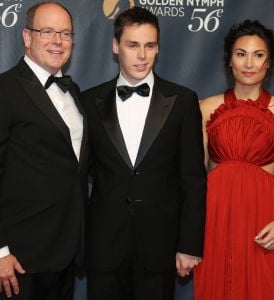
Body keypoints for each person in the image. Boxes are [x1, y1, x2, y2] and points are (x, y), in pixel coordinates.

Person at [81, 6, 206, 300]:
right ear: (115, 46)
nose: (142, 55)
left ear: (158, 47)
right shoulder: (88, 101)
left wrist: (189, 245)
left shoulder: (183, 101)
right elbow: (81, 170)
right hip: (104, 246)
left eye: (149, 46)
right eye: (132, 45)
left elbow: (193, 180)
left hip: (159, 247)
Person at [0, 2, 88, 299]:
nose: (57, 41)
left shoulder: (74, 92)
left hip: (65, 254)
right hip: (19, 260)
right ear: (26, 37)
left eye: (65, 33)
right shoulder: (1, 91)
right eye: (47, 31)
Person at [194, 20, 274, 299]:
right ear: (229, 61)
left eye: (258, 55)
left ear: (269, 62)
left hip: (264, 223)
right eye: (241, 54)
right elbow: (194, 176)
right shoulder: (204, 108)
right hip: (215, 219)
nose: (249, 63)